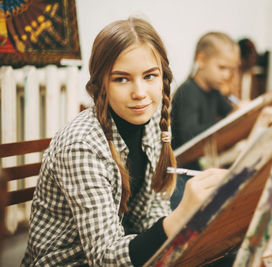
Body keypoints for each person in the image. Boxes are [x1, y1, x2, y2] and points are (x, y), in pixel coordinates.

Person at [21, 17, 226, 266]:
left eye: (150, 76)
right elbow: (104, 257)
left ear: (163, 77)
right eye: (121, 79)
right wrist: (182, 215)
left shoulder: (151, 122)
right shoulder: (81, 145)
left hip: (125, 245)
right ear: (101, 84)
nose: (139, 92)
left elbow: (150, 214)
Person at [170, 32, 240, 210]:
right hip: (181, 177)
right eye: (222, 67)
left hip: (200, 171)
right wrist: (229, 120)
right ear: (200, 60)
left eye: (231, 70)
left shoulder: (214, 92)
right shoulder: (188, 92)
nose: (227, 75)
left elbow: (234, 117)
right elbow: (190, 135)